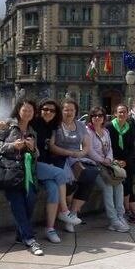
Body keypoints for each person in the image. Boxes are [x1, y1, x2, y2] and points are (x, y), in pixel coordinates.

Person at [0, 98, 82, 244]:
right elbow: (10, 123)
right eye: (45, 109)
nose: (48, 112)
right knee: (60, 174)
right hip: (31, 166)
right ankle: (64, 211)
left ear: (56, 113)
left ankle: (50, 229)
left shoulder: (54, 126)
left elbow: (48, 148)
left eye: (52, 110)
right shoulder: (33, 123)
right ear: (39, 111)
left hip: (42, 164)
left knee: (53, 188)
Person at [0, 98, 43, 255]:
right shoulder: (8, 125)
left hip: (27, 173)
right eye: (24, 110)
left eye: (30, 111)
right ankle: (30, 239)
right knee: (17, 203)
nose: (27, 113)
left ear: (34, 113)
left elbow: (36, 154)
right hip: (8, 172)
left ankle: (21, 235)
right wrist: (12, 146)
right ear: (18, 110)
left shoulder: (32, 132)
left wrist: (33, 149)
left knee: (31, 200)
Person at [49, 98, 99, 233]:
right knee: (68, 182)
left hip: (76, 158)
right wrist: (69, 152)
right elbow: (52, 146)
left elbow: (87, 145)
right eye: (66, 109)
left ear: (76, 111)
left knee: (91, 174)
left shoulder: (81, 125)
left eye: (72, 110)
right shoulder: (56, 125)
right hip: (59, 157)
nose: (69, 112)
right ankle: (67, 213)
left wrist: (81, 153)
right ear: (61, 111)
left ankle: (72, 213)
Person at [86, 106, 130, 232]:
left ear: (104, 118)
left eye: (100, 115)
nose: (97, 118)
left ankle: (120, 215)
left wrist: (109, 159)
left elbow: (110, 148)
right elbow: (89, 151)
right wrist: (103, 160)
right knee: (108, 187)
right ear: (91, 117)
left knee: (119, 185)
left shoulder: (105, 131)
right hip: (94, 165)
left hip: (106, 164)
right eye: (94, 115)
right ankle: (113, 220)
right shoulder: (88, 131)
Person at [106, 104, 135, 224]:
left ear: (127, 114)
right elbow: (107, 147)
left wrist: (126, 161)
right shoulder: (109, 127)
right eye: (119, 112)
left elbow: (132, 148)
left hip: (127, 161)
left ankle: (131, 212)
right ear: (115, 114)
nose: (122, 114)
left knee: (129, 183)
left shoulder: (130, 127)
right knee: (124, 183)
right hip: (113, 161)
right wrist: (115, 160)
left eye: (124, 112)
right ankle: (131, 212)